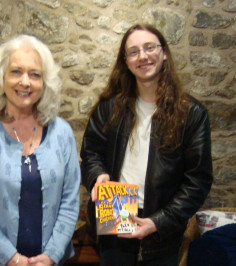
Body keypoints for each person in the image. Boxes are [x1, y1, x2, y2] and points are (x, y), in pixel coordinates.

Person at [80, 24, 213, 266]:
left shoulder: (192, 114)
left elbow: (198, 181)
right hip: (116, 210)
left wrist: (157, 222)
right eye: (133, 51)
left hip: (162, 227)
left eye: (149, 47)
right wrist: (97, 176)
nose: (142, 56)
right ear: (126, 61)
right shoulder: (108, 107)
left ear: (164, 53)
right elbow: (91, 153)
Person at [0, 35, 81, 266]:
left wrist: (52, 256)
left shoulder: (62, 132)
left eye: (35, 74)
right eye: (16, 72)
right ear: (1, 77)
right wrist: (13, 260)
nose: (25, 82)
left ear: (44, 82)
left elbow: (70, 200)